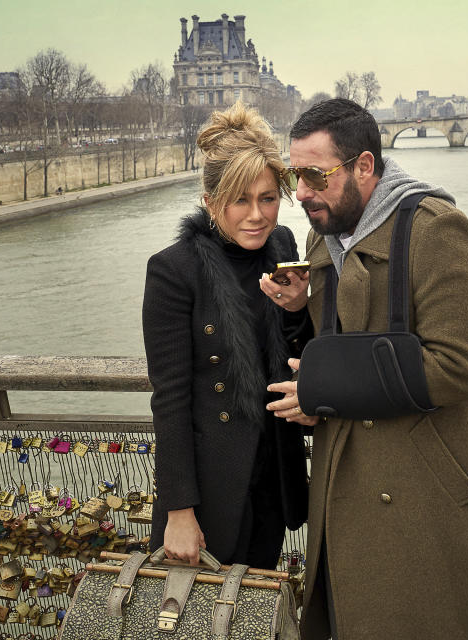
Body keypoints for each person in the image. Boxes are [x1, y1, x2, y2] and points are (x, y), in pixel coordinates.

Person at [265, 99, 468, 639]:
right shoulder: (327, 232)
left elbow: (458, 366)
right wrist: (301, 312)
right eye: (296, 175)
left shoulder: (439, 230)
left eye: (316, 175)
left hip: (428, 488)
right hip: (350, 476)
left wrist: (323, 386)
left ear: (365, 166)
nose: (303, 192)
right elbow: (344, 342)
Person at [142, 101, 310, 569]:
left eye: (268, 198)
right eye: (240, 200)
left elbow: (299, 352)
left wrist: (298, 309)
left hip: (271, 475)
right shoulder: (174, 271)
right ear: (211, 202)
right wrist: (178, 510)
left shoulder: (284, 246)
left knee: (252, 613)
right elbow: (170, 398)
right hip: (209, 491)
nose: (257, 215)